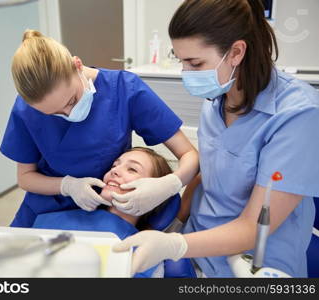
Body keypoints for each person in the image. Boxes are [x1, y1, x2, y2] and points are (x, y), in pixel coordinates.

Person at [112, 0, 319, 277]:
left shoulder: (297, 115)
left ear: (236, 52)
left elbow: (252, 229)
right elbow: (208, 176)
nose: (186, 73)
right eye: (181, 60)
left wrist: (175, 244)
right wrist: (176, 222)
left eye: (195, 63)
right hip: (195, 247)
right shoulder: (216, 99)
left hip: (253, 263)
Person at [0, 30, 199, 228]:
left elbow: (189, 153)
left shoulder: (125, 89)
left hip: (106, 211)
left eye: (71, 101)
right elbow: (25, 178)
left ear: (77, 66)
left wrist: (168, 185)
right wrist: (67, 186)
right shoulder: (26, 109)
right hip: (44, 209)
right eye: (54, 113)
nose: (68, 114)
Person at [32, 147, 177, 277]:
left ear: (154, 193)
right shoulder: (56, 220)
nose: (114, 170)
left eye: (132, 169)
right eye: (115, 165)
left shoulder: (147, 254)